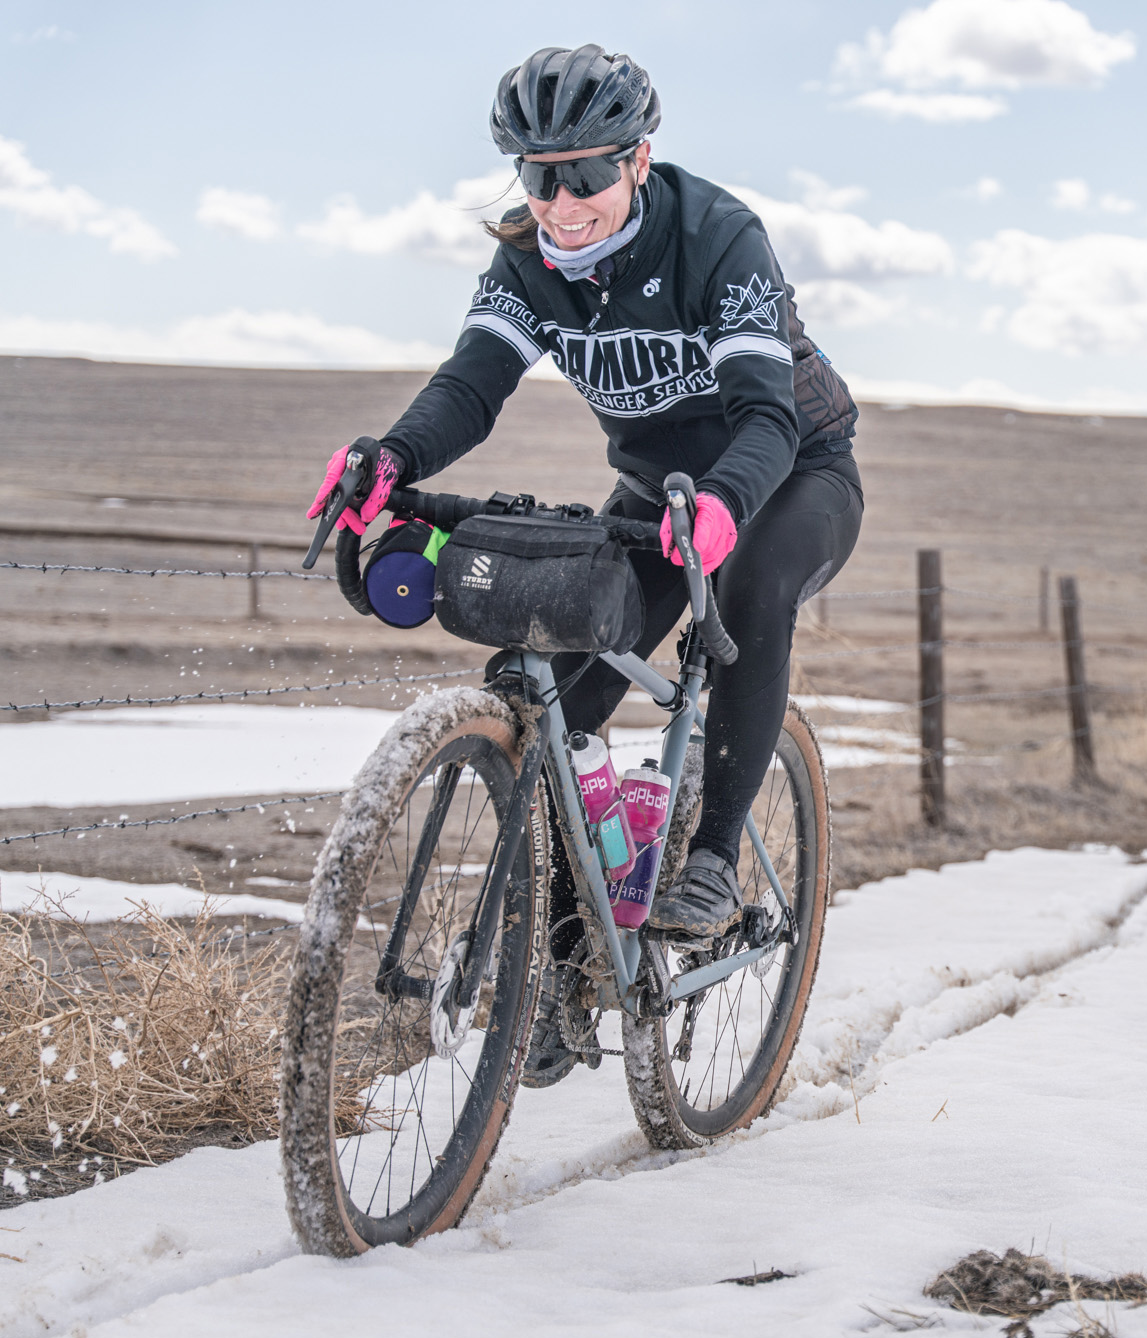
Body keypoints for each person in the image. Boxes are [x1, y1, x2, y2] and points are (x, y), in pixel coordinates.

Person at [307, 46, 862, 946]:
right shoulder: (530, 260)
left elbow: (767, 418)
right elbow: (472, 385)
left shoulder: (719, 236)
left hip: (795, 471)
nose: (562, 205)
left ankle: (714, 857)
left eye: (588, 175)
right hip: (656, 485)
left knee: (755, 595)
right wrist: (394, 459)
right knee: (560, 686)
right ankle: (567, 952)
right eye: (538, 177)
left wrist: (721, 509)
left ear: (639, 158)